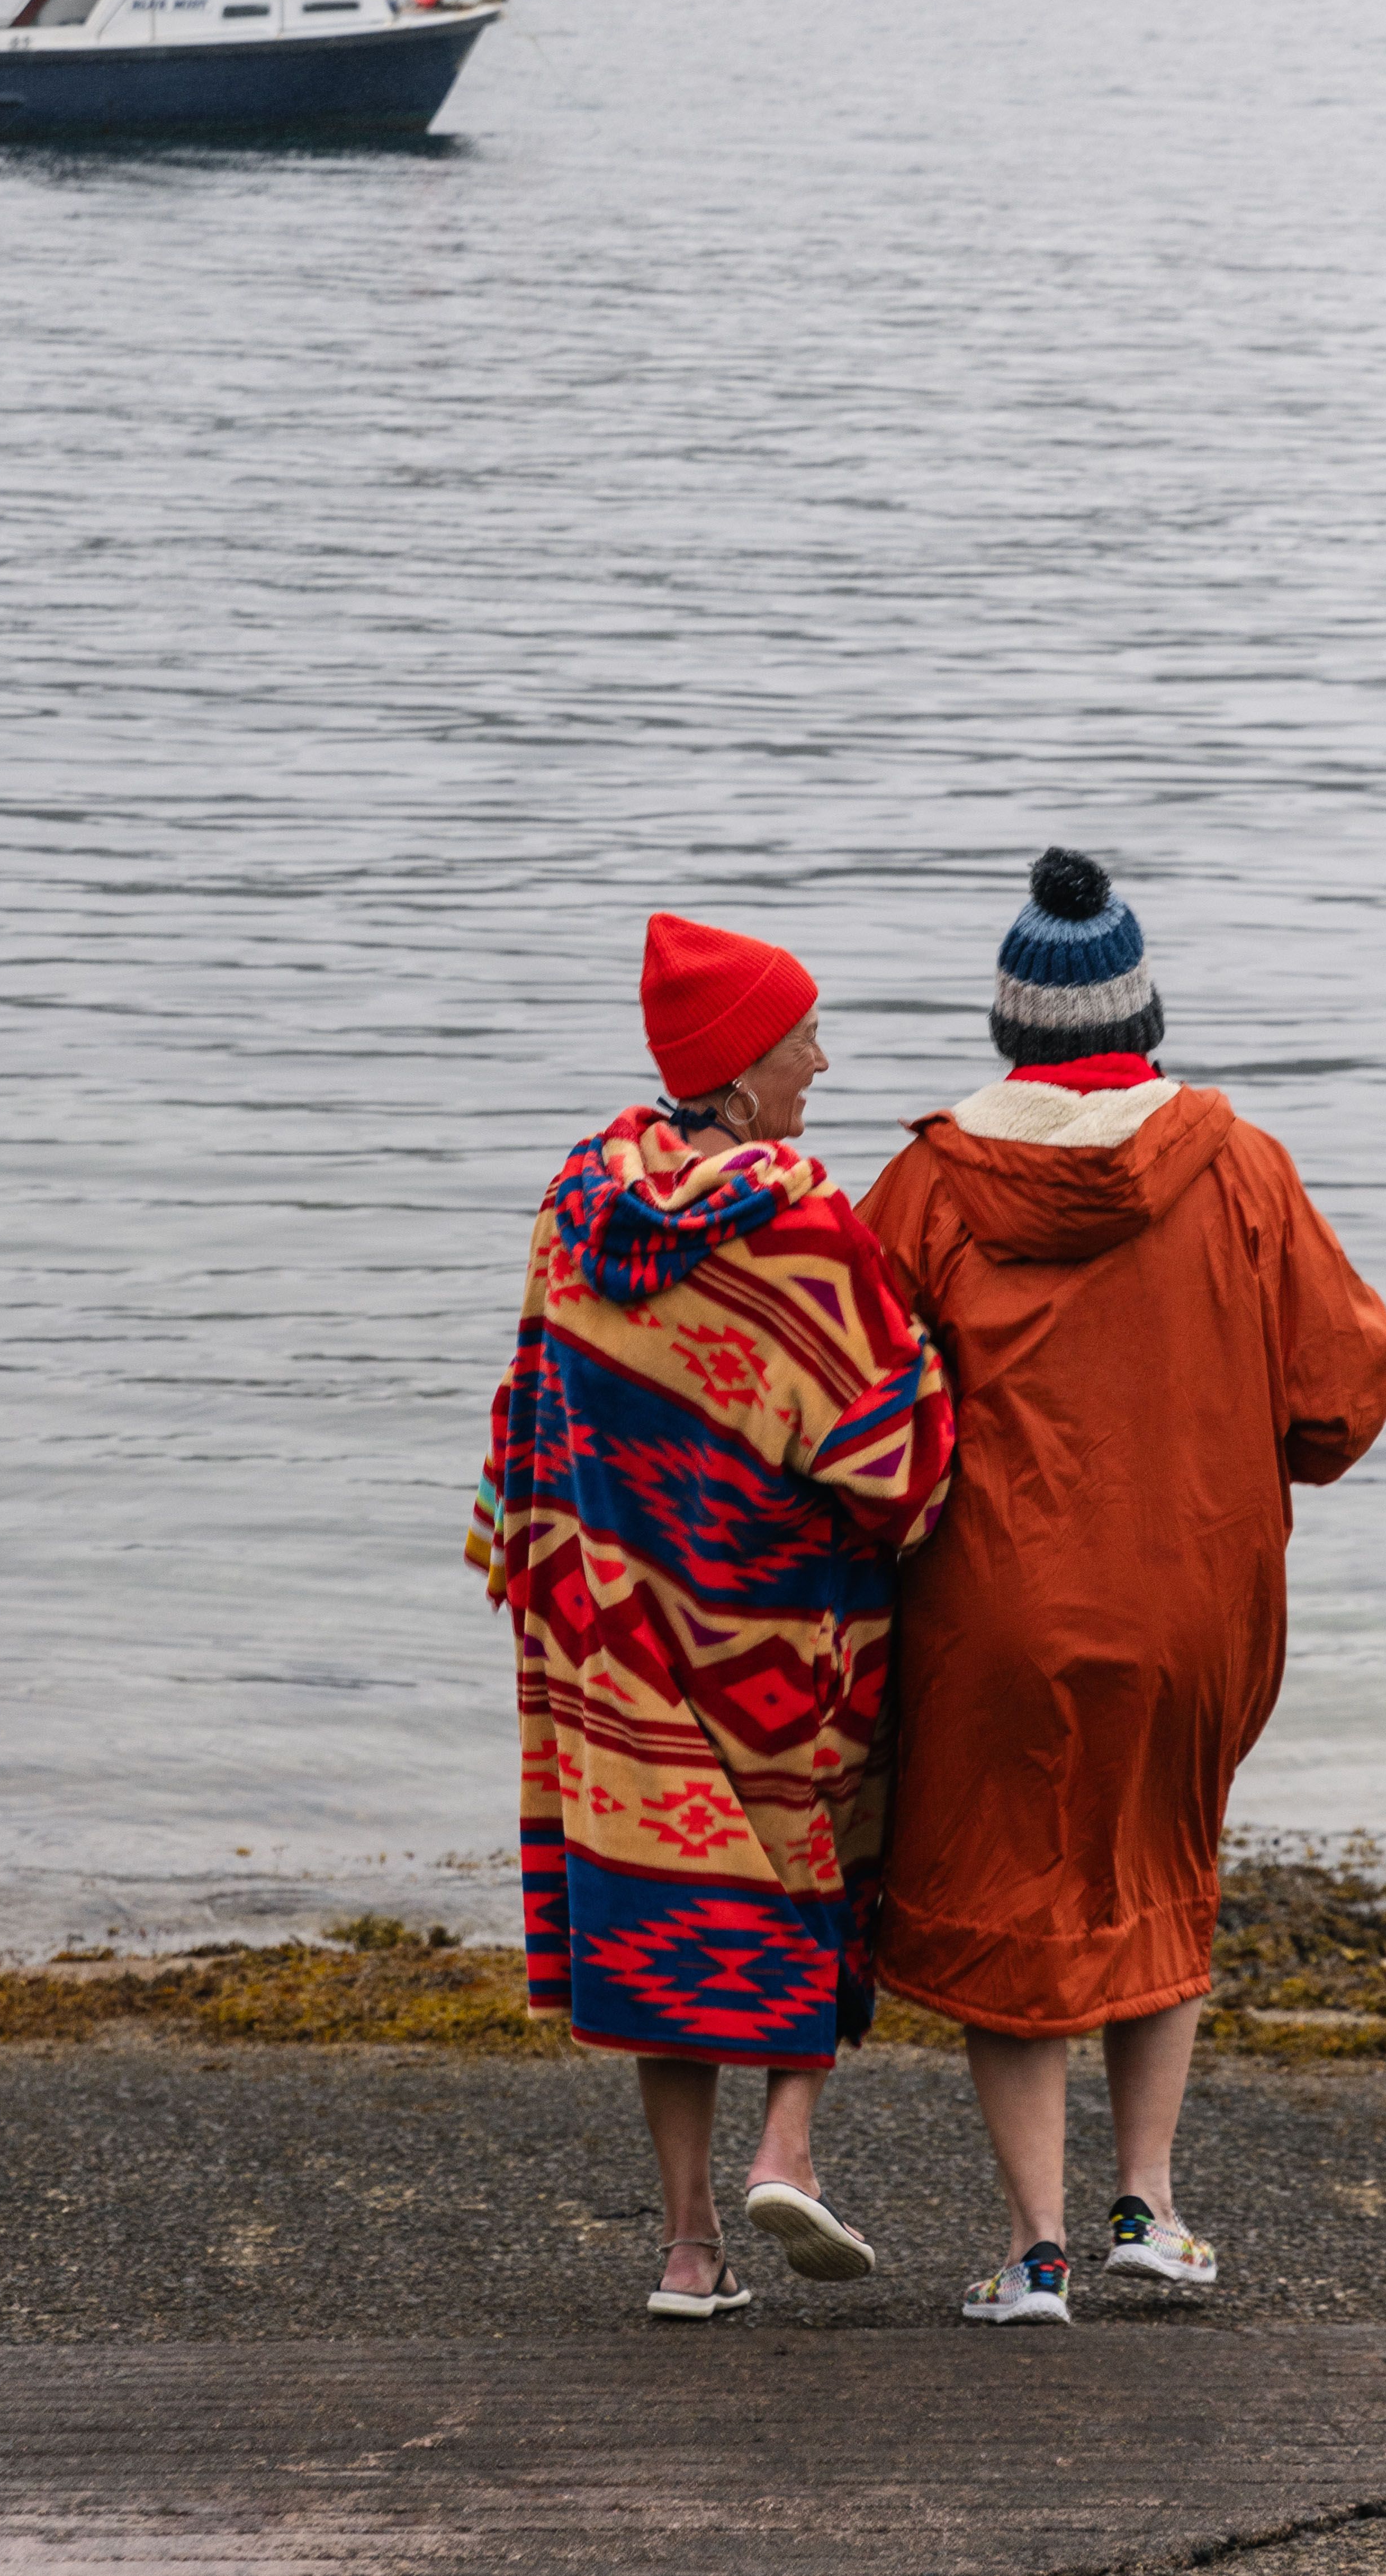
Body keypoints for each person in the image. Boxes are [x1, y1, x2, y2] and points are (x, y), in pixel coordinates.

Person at [861, 849, 1386, 2327]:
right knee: (1161, 1875)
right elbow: (1341, 1393)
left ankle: (1033, 2252)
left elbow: (856, 1415)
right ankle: (1148, 2210)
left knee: (1004, 1894)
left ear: (1004, 1034)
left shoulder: (924, 1186)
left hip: (994, 1617)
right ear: (1146, 1016)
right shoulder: (1237, 1166)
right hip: (1188, 1606)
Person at [468, 909, 954, 2321]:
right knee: (817, 1881)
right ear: (744, 1067)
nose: (824, 1058)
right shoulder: (802, 1223)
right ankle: (788, 2147)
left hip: (616, 1646)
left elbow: (528, 1409)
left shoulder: (575, 1206)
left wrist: (533, 1568)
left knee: (658, 1916)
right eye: (805, 1033)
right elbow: (890, 1453)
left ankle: (690, 2252)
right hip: (781, 1644)